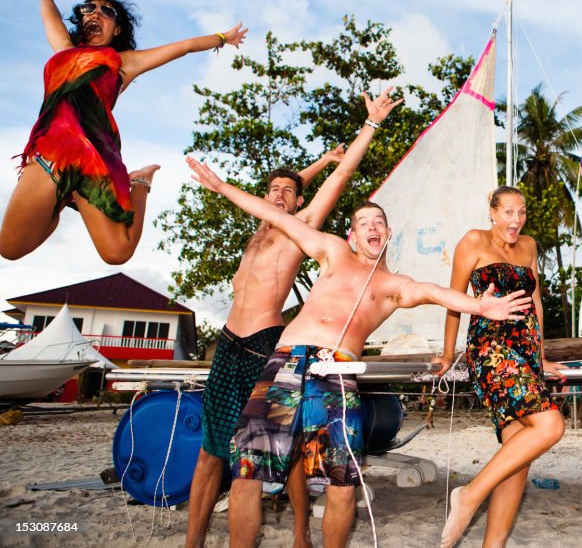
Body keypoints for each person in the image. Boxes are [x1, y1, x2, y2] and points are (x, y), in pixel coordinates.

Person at [186, 158, 532, 548]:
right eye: (364, 223)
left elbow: (436, 291)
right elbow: (277, 216)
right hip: (285, 362)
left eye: (379, 223)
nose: (372, 227)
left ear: (389, 234)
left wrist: (481, 307)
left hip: (335, 372)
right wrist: (223, 188)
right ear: (352, 235)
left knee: (341, 481)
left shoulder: (394, 285)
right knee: (247, 469)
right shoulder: (332, 251)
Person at [184, 89, 402, 547]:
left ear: (300, 199)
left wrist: (370, 127)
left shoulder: (300, 228)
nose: (281, 195)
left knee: (287, 449)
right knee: (213, 450)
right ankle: (193, 541)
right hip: (227, 344)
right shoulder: (258, 234)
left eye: (290, 191)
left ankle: (302, 533)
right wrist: (309, 164)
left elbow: (339, 178)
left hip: (267, 343)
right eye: (274, 190)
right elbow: (278, 194)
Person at [0, 0, 246, 263]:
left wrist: (221, 38)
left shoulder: (122, 63)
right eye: (89, 9)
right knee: (9, 249)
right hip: (51, 155)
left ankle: (140, 182)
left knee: (118, 252)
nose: (96, 14)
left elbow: (183, 48)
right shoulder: (65, 51)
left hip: (94, 161)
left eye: (107, 11)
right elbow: (50, 20)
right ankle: (63, 198)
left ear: (117, 30)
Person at [436, 185, 567, 548]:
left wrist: (539, 355)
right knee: (550, 424)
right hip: (491, 346)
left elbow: (536, 304)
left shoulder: (529, 246)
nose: (516, 219)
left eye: (521, 212)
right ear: (492, 211)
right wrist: (448, 355)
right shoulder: (473, 241)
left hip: (525, 350)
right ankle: (469, 495)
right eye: (508, 212)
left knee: (517, 457)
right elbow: (454, 301)